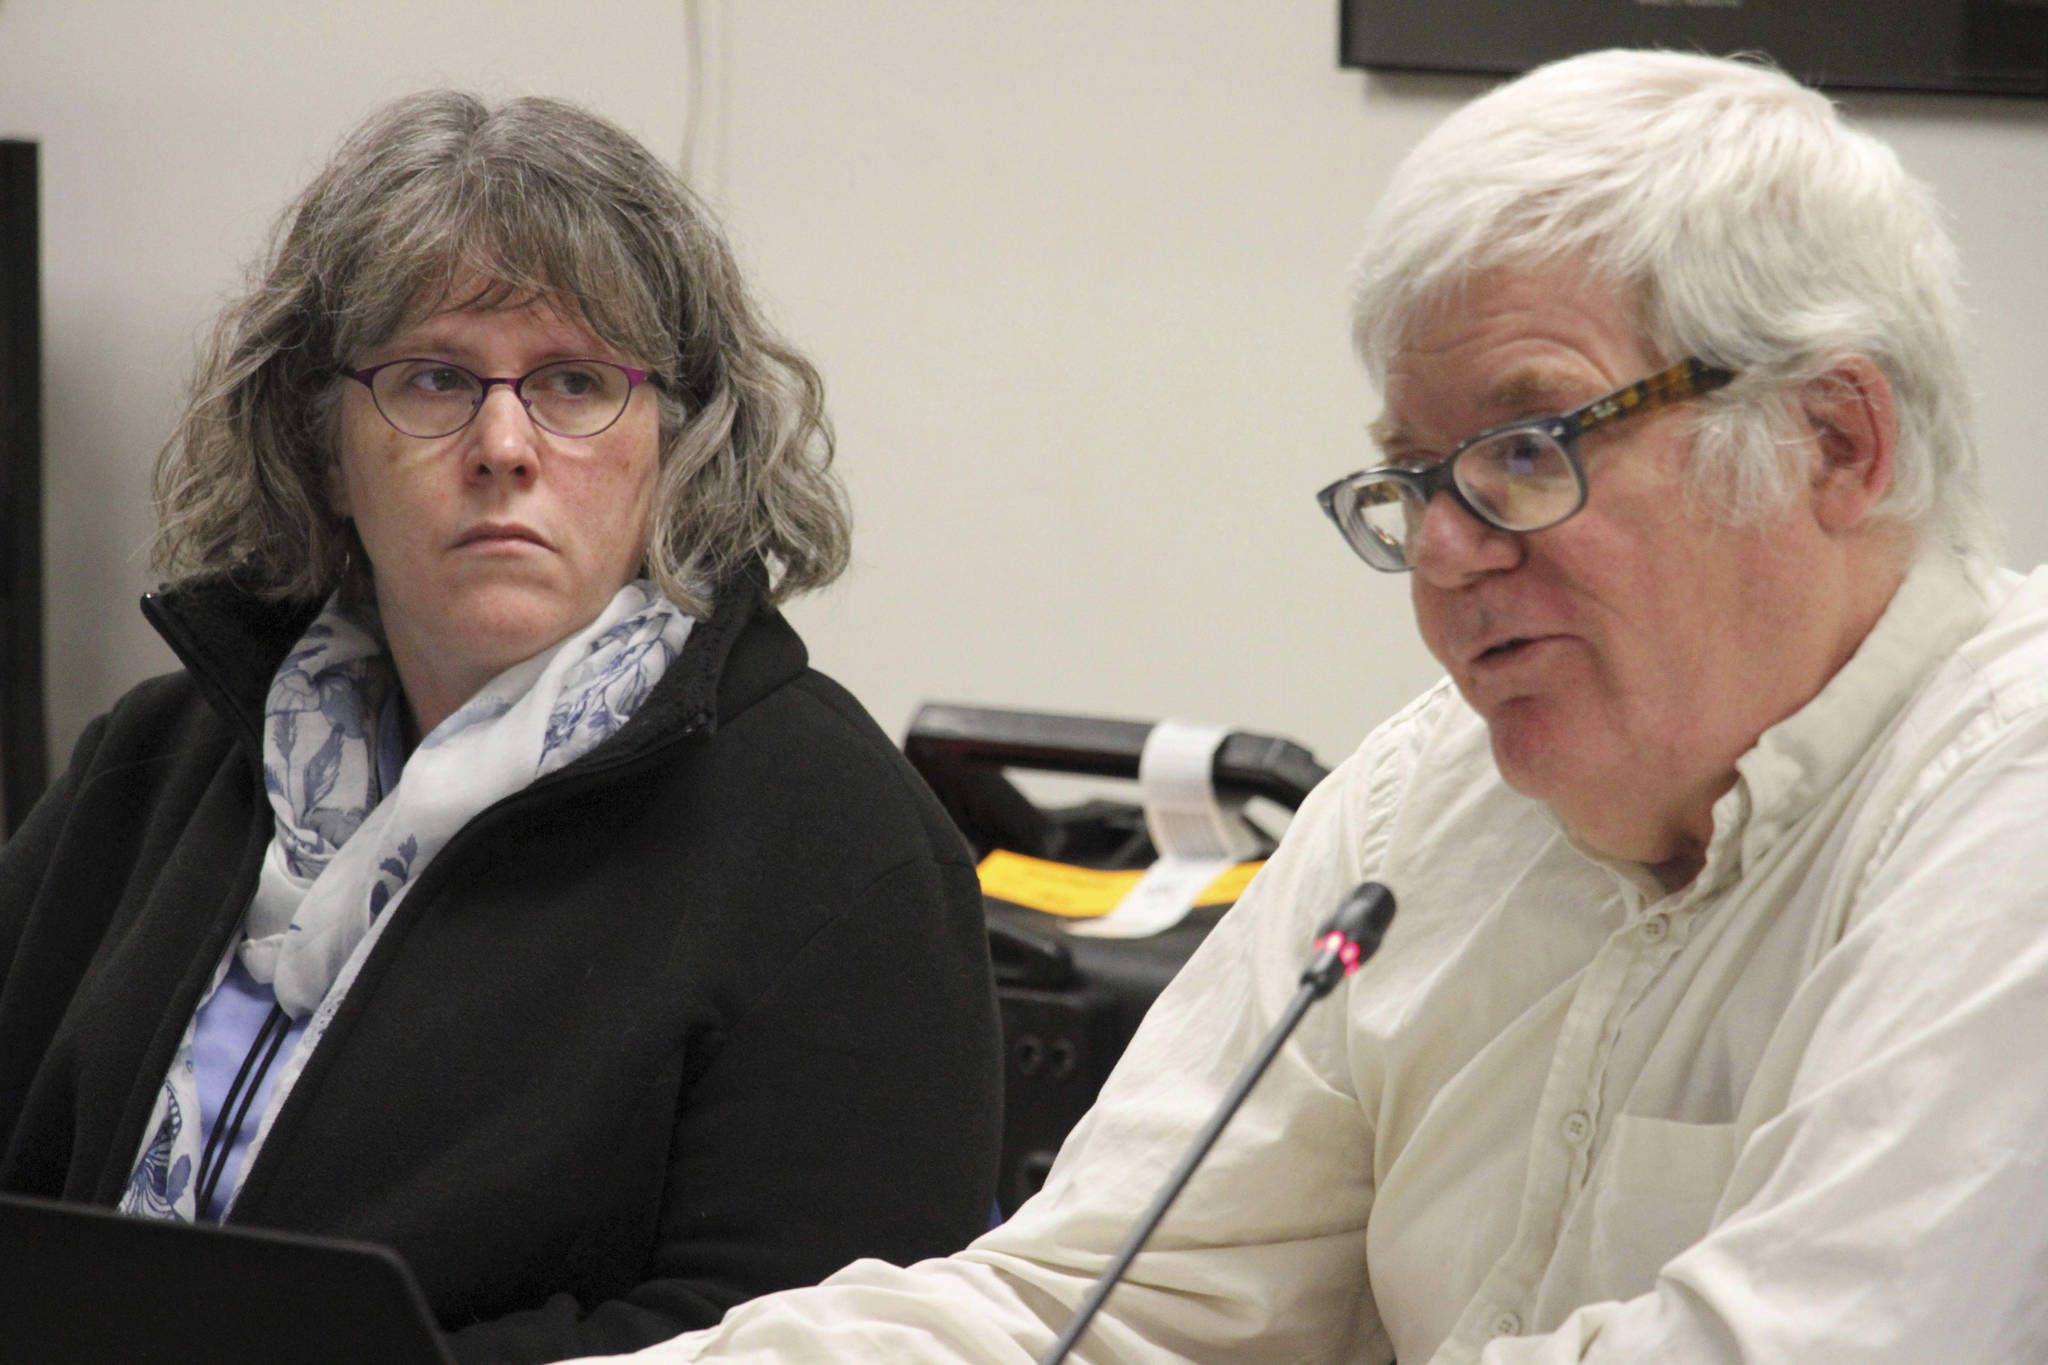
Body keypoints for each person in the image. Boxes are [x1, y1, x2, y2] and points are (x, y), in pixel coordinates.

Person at [558, 49, 2048, 1365]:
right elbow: (1098, 1307)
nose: (1449, 551)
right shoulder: (1429, 804)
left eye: (1528, 446)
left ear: (1833, 439)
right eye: (1412, 479)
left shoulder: (2008, 798)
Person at [0, 92, 1003, 1363]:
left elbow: (807, 1340)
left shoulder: (836, 841)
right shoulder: (158, 761)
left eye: (576, 382)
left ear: (678, 448)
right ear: (321, 447)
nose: (504, 445)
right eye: (432, 379)